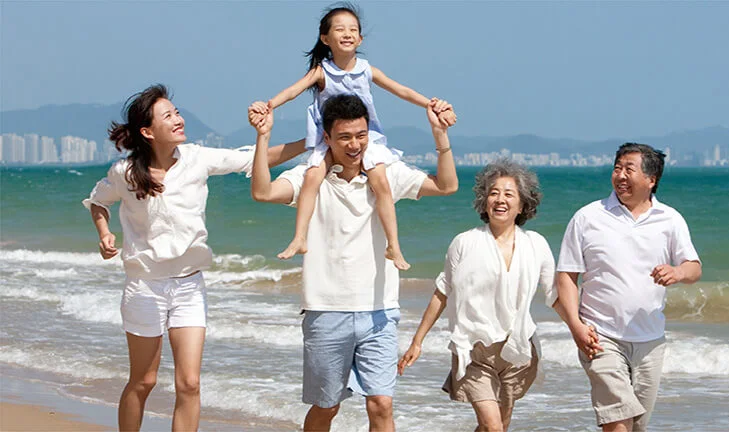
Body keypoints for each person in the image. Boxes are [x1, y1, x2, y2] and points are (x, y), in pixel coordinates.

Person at [82, 84, 300, 431]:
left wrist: (318, 140)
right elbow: (97, 201)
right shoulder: (124, 173)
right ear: (147, 131)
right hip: (144, 287)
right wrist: (105, 234)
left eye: (177, 112)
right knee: (144, 381)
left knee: (190, 384)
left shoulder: (198, 158)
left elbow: (256, 159)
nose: (179, 119)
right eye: (168, 115)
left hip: (189, 287)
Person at [249, 93, 458, 432]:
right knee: (326, 407)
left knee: (381, 405)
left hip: (379, 311)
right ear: (327, 138)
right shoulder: (310, 176)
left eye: (360, 135)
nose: (354, 144)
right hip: (325, 311)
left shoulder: (385, 172)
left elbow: (446, 185)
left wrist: (440, 136)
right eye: (344, 137)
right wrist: (263, 137)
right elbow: (262, 192)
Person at [250, 4, 456, 270]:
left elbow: (401, 90)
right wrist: (268, 106)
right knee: (312, 177)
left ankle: (393, 244)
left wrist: (431, 104)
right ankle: (300, 238)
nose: (347, 34)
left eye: (353, 30)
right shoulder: (321, 71)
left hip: (367, 137)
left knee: (381, 181)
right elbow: (292, 91)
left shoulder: (366, 69)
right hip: (331, 139)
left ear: (360, 39)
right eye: (340, 29)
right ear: (326, 39)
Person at [398, 159, 556, 432]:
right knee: (493, 426)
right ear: (484, 202)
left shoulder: (536, 244)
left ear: (522, 205)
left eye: (509, 194)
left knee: (498, 427)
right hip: (474, 350)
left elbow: (555, 294)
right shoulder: (465, 242)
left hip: (517, 348)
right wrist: (417, 341)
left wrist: (580, 328)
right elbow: (442, 292)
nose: (500, 199)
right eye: (493, 193)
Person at [553, 143, 702, 432]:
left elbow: (694, 267)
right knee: (618, 424)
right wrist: (576, 326)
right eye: (617, 168)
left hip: (650, 340)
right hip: (600, 336)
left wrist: (678, 271)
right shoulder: (587, 217)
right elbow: (567, 277)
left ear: (651, 179)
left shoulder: (670, 220)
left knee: (636, 426)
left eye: (629, 169)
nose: (620, 175)